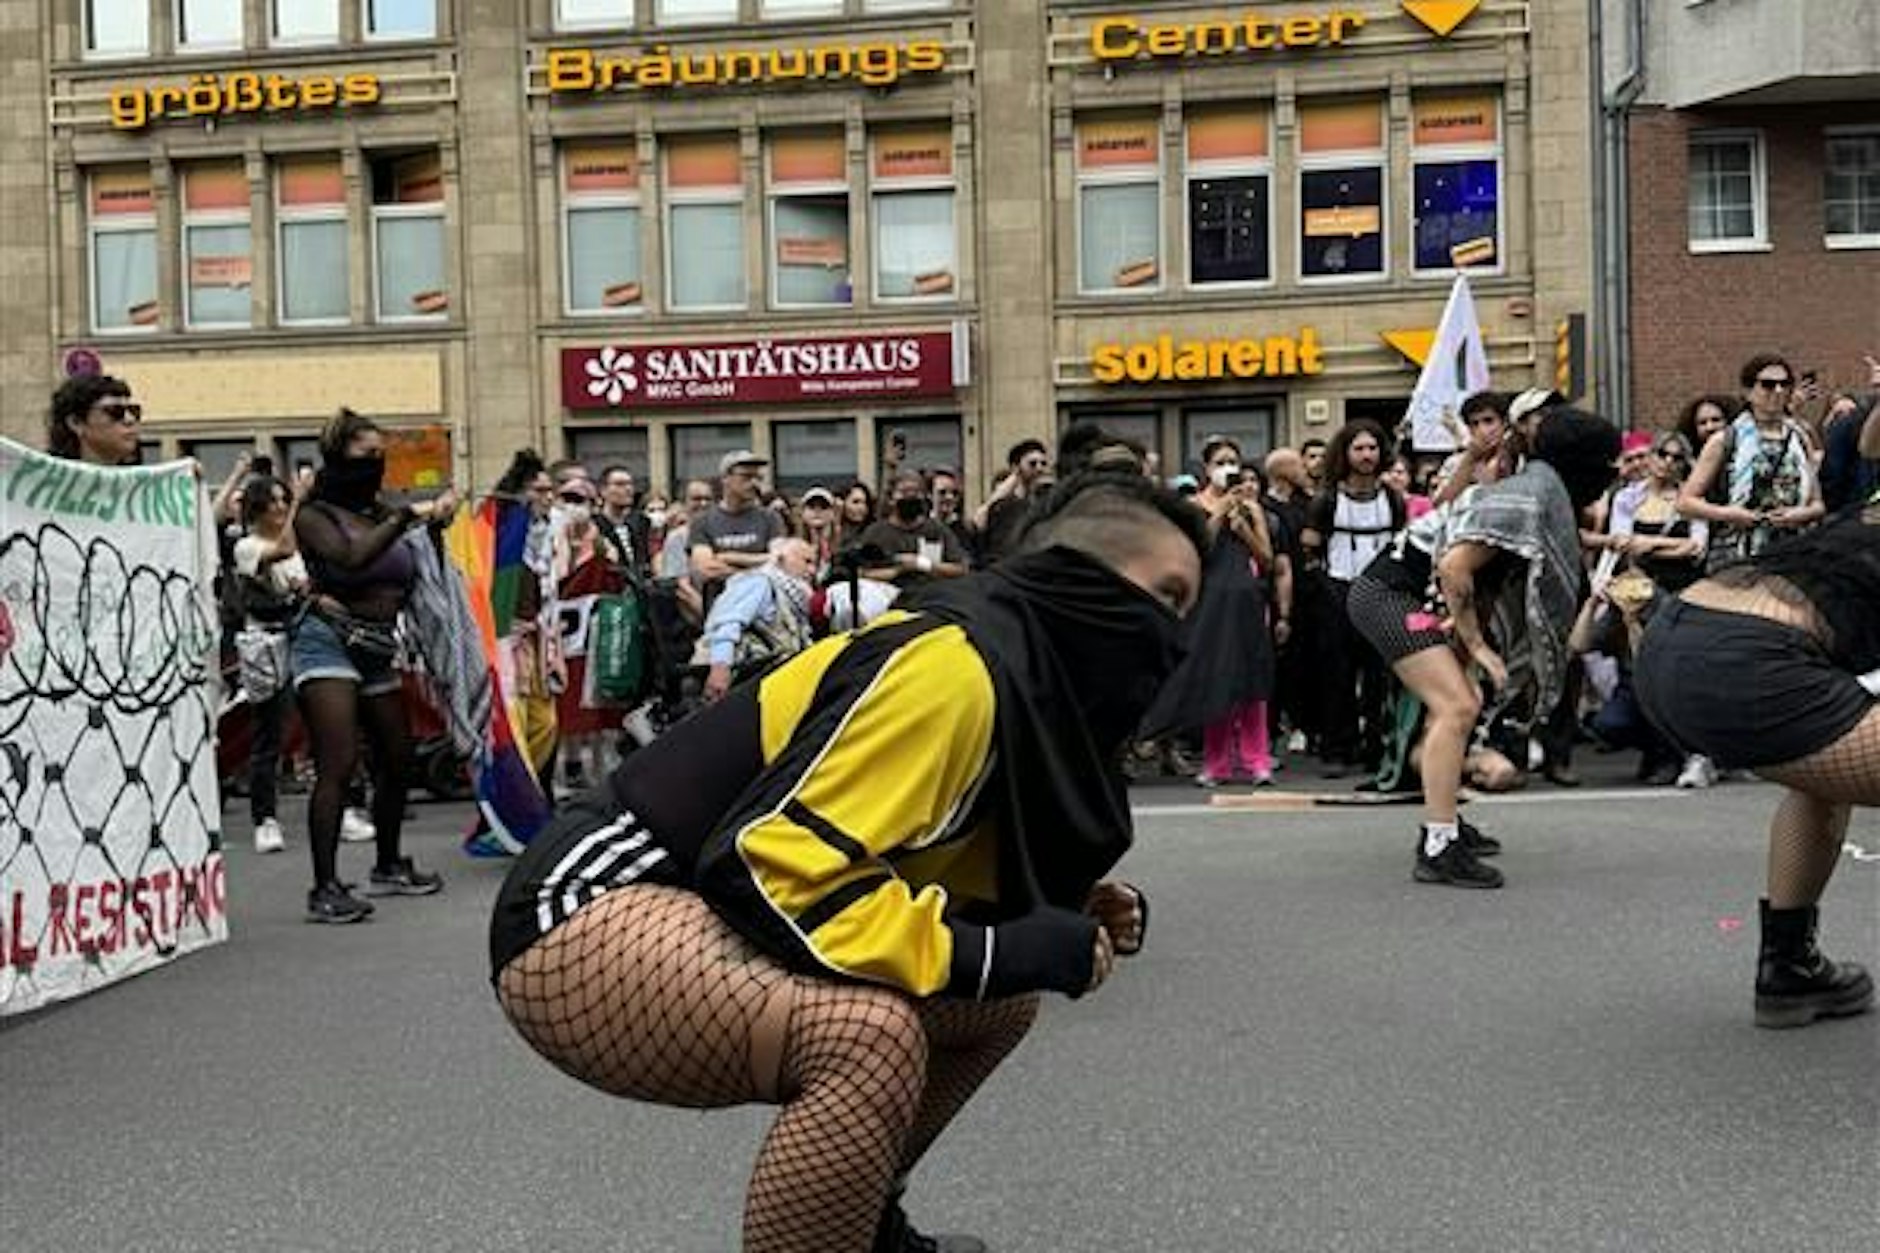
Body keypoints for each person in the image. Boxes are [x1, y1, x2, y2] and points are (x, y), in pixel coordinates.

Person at [488, 473, 1204, 1253]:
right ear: (1083, 580)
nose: (1176, 635)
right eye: (1166, 598)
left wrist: (1055, 904)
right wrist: (998, 943)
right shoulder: (954, 668)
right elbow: (770, 870)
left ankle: (858, 1224)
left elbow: (902, 841)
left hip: (688, 903)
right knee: (869, 1034)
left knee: (999, 1002)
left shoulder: (1007, 665)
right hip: (586, 907)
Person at [1346, 402, 1620, 888]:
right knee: (1457, 707)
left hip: (1412, 596)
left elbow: (1486, 581)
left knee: (1453, 710)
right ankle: (1438, 846)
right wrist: (1476, 643)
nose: (1613, 472)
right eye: (1607, 462)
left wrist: (1470, 636)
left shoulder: (1536, 490)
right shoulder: (1532, 497)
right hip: (1387, 595)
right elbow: (1454, 568)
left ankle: (1443, 819)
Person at [1633, 498, 1878, 1029]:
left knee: (1822, 781)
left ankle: (1788, 967)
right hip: (1752, 660)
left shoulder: (1866, 511)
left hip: (1671, 641)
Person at [291, 408, 455, 923]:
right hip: (328, 642)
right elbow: (351, 558)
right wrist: (405, 518)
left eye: (380, 454)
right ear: (339, 457)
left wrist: (433, 527)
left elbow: (405, 564)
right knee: (338, 763)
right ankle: (324, 887)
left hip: (378, 644)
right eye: (366, 454)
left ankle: (388, 864)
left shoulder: (377, 508)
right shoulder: (315, 516)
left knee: (399, 757)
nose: (376, 463)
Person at [1141, 440, 1281, 787]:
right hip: (1209, 596)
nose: (1227, 467)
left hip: (1246, 596)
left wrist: (1245, 526)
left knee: (1252, 678)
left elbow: (1266, 559)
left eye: (1233, 461)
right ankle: (1216, 762)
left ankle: (1257, 759)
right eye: (1220, 461)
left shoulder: (1252, 507)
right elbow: (1195, 548)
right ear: (1206, 468)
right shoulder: (1193, 505)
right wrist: (1219, 513)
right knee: (1216, 675)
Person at [1301, 419, 1404, 774]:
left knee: (1379, 675)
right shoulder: (1327, 500)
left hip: (1381, 593)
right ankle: (1336, 747)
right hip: (1337, 592)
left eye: (1372, 448)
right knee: (1337, 675)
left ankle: (1376, 747)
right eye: (1359, 448)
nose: (1366, 455)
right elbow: (1310, 549)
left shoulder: (1392, 498)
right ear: (1345, 453)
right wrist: (1325, 589)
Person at [1679, 354, 1825, 573]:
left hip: (1792, 551)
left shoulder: (1800, 437)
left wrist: (1799, 515)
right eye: (1767, 385)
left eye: (1784, 384)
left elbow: (1818, 504)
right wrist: (1729, 514)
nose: (1777, 391)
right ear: (1748, 392)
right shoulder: (1725, 439)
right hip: (1736, 553)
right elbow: (1685, 502)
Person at [233, 473, 311, 854]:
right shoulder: (247, 546)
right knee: (269, 735)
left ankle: (347, 806)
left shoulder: (298, 546)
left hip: (305, 638)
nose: (280, 507)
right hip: (267, 643)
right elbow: (281, 550)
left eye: (284, 500)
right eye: (273, 501)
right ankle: (264, 819)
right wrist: (300, 499)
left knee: (325, 726)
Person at [698, 537, 818, 703]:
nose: (812, 570)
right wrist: (720, 667)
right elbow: (728, 623)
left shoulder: (793, 595)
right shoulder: (759, 582)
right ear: (782, 559)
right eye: (807, 562)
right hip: (741, 682)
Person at [691, 451, 788, 599]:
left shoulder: (770, 517)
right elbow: (707, 568)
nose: (754, 483)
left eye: (758, 477)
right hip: (719, 603)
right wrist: (757, 570)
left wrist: (729, 557)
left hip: (761, 603)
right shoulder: (703, 521)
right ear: (725, 479)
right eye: (746, 477)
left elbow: (780, 561)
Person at [858, 473, 970, 589]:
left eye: (916, 492)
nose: (911, 496)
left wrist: (920, 563)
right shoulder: (875, 532)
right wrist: (898, 571)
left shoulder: (937, 529)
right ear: (891, 499)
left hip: (932, 596)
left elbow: (960, 568)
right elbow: (862, 573)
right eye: (904, 492)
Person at [970, 439, 1050, 564]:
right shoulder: (1005, 507)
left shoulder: (1043, 503)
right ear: (1015, 468)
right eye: (1032, 464)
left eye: (1043, 463)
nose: (1039, 468)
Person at [47, 374, 142, 466]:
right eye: (115, 411)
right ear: (76, 423)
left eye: (134, 410)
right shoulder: (46, 479)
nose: (130, 419)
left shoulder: (141, 480)